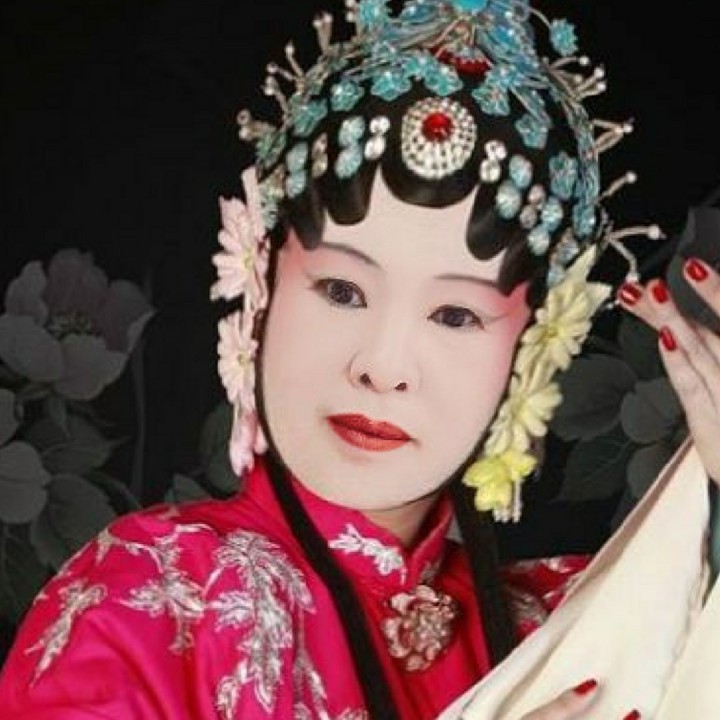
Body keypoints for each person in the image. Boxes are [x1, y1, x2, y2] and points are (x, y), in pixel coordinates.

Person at [1, 1, 718, 718]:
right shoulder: (147, 601)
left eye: (455, 315)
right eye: (343, 291)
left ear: (532, 350)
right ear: (259, 286)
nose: (382, 368)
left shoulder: (572, 631)